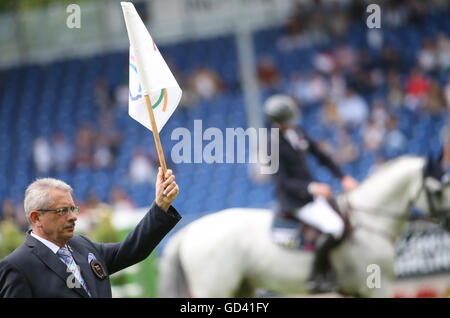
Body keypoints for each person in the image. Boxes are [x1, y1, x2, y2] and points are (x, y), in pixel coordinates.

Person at [0, 168, 180, 298]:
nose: (73, 217)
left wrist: (161, 205)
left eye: (73, 209)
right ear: (36, 218)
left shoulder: (83, 245)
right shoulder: (17, 267)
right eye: (63, 211)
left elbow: (132, 249)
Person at [264, 94, 358, 293]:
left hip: (312, 196)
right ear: (278, 123)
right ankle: (316, 277)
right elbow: (283, 183)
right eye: (288, 119)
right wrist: (313, 188)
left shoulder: (297, 133)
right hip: (295, 202)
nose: (293, 122)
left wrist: (342, 177)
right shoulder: (271, 145)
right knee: (335, 227)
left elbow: (321, 156)